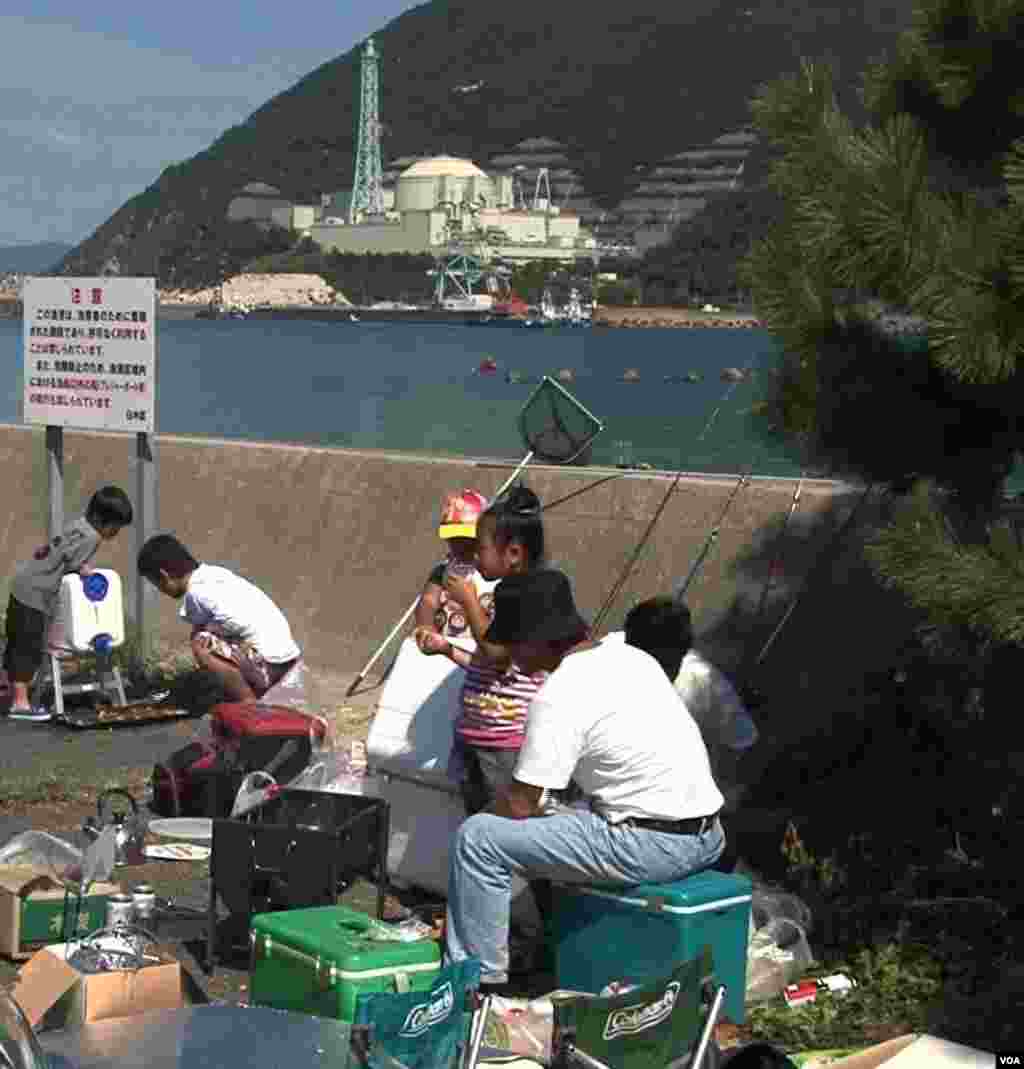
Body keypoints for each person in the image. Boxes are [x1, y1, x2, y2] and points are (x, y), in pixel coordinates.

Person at [444, 569, 725, 990]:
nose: (510, 654)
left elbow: (520, 803)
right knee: (558, 813)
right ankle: (557, 950)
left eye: (514, 642)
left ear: (538, 639)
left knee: (478, 839)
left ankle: (475, 987)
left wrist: (487, 814)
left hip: (651, 846)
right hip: (709, 835)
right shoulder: (632, 657)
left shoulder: (559, 693)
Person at [415, 485, 547, 815]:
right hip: (475, 727)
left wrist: (470, 600)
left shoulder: (518, 595)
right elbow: (482, 661)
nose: (469, 553)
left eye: (479, 546)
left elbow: (497, 655)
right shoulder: (460, 575)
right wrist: (440, 642)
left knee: (502, 817)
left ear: (511, 553)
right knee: (475, 812)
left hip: (503, 738)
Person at [3, 486, 133, 722]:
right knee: (27, 647)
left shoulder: (78, 525)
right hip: (36, 592)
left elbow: (62, 554)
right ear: (105, 522)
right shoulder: (93, 537)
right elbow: (73, 561)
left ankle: (15, 697)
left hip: (22, 584)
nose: (116, 532)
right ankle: (20, 704)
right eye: (117, 527)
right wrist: (84, 570)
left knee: (19, 643)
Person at [621, 596, 758, 810]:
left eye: (667, 662)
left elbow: (741, 741)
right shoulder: (607, 667)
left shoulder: (705, 682)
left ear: (683, 652)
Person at [137, 534, 301, 702]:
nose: (160, 590)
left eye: (156, 584)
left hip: (269, 663)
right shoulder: (213, 574)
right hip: (286, 656)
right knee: (206, 635)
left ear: (164, 576)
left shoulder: (196, 593)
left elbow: (235, 622)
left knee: (200, 643)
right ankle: (243, 686)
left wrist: (211, 630)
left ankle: (248, 702)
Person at [413, 489, 496, 646]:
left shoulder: (494, 572)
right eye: (454, 539)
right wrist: (426, 627)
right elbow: (428, 601)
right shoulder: (443, 570)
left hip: (480, 649)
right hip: (445, 645)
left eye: (466, 540)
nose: (460, 545)